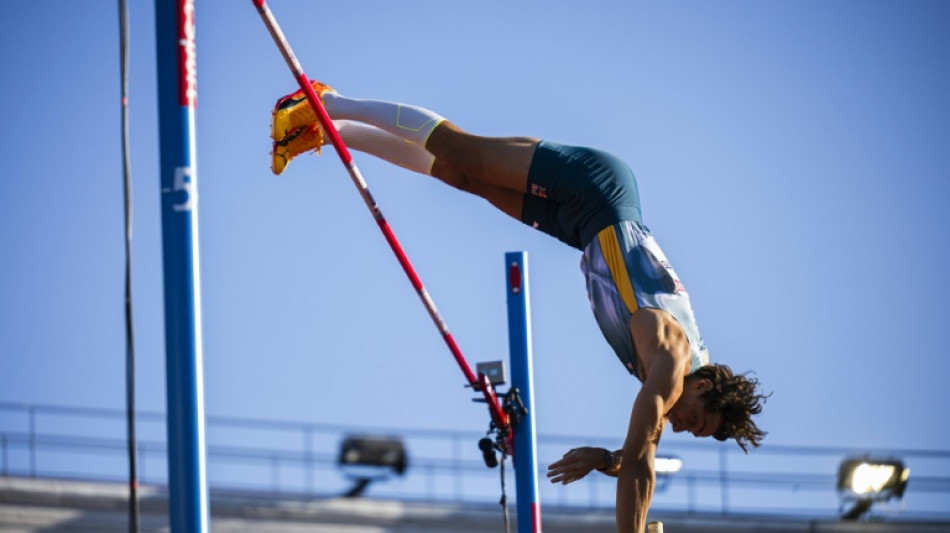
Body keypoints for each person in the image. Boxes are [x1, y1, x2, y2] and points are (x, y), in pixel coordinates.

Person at [269, 81, 769, 533]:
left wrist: (602, 458)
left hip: (582, 228)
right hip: (599, 192)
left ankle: (328, 132)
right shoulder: (671, 360)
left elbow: (637, 453)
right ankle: (324, 99)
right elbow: (641, 461)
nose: (685, 428)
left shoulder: (671, 383)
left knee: (463, 179)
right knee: (460, 152)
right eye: (697, 421)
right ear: (703, 386)